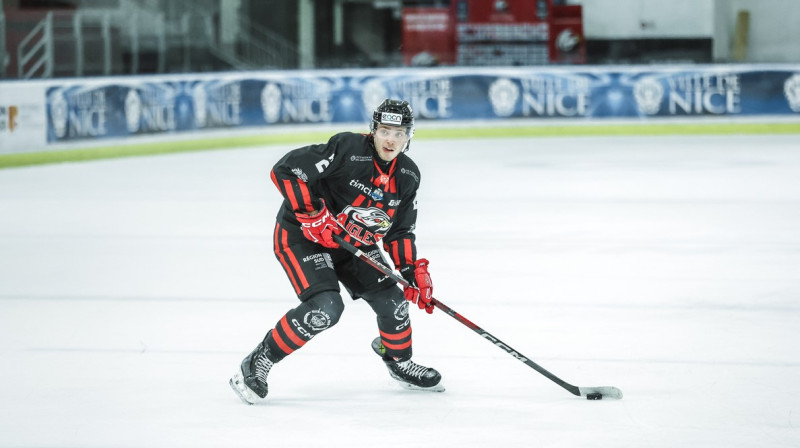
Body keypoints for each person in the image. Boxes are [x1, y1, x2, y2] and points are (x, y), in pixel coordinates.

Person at [229, 99, 443, 404]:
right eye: (384, 130)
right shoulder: (348, 149)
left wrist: (411, 272)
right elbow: (287, 169)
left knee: (394, 301)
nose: (391, 139)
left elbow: (400, 231)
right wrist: (310, 213)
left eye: (398, 132)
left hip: (352, 244)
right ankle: (259, 360)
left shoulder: (408, 176)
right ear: (373, 131)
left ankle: (398, 361)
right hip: (302, 236)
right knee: (326, 307)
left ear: (409, 135)